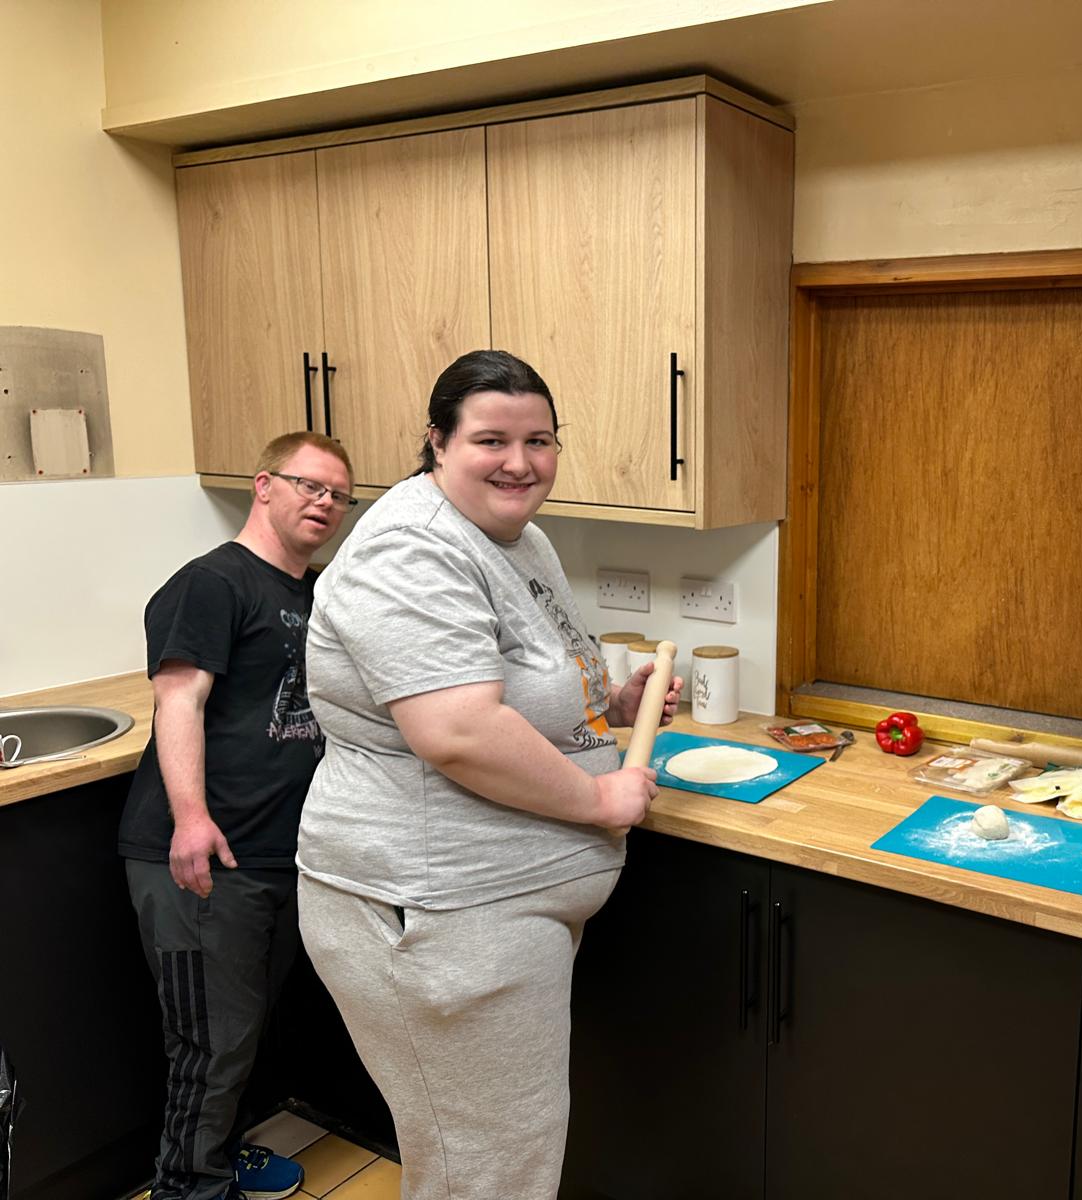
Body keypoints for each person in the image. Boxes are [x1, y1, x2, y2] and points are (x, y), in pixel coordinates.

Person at [295, 349, 682, 1198]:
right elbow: (458, 730)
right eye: (491, 439)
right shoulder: (409, 552)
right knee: (485, 1172)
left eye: (538, 440)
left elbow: (513, 680)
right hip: (434, 913)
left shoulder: (516, 535)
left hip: (501, 908)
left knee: (502, 1158)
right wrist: (594, 796)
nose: (520, 462)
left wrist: (610, 705)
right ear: (437, 442)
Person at [120, 432, 357, 1200]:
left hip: (277, 855)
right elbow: (178, 699)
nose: (324, 503)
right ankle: (189, 1188)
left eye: (338, 495)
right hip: (201, 856)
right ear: (263, 485)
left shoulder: (312, 594)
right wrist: (191, 819)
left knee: (243, 1035)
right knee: (211, 1045)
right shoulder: (213, 583)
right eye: (308, 485)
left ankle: (219, 1158)